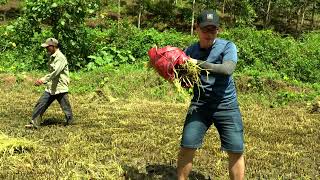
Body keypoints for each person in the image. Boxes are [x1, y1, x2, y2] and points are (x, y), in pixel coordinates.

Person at [177, 10, 245, 179]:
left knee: (236, 150)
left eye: (213, 30)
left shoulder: (228, 46)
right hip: (200, 106)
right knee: (187, 146)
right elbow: (186, 80)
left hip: (226, 106)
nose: (209, 33)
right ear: (197, 29)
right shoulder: (190, 50)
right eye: (205, 29)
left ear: (218, 30)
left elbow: (227, 69)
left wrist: (196, 63)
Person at [25, 38, 73, 128]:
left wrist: (43, 80)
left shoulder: (60, 58)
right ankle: (34, 123)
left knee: (66, 108)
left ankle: (70, 123)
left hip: (60, 87)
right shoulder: (52, 56)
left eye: (47, 47)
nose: (46, 49)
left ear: (53, 46)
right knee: (40, 104)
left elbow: (55, 72)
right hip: (51, 87)